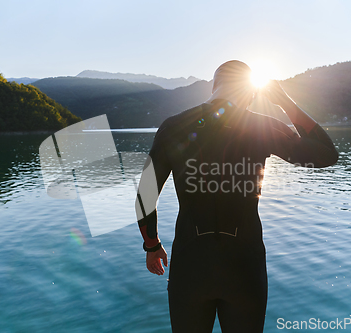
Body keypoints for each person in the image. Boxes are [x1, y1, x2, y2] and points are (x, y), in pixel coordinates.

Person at [135, 60, 338, 333]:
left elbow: (145, 195)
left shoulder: (174, 127)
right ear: (252, 92)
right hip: (244, 266)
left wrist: (152, 245)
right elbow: (327, 154)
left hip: (191, 263)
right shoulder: (261, 127)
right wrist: (284, 102)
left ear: (213, 86)